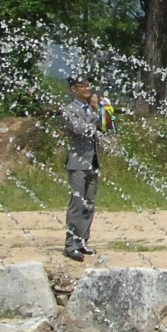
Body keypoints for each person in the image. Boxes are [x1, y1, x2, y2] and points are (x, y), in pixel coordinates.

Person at [60, 75, 110, 260]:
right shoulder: (69, 110)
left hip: (93, 161)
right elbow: (82, 130)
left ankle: (83, 241)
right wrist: (95, 113)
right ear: (74, 89)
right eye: (83, 86)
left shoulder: (91, 109)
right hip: (78, 163)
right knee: (77, 203)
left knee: (89, 203)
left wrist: (105, 114)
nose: (88, 89)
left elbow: (106, 129)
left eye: (88, 85)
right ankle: (71, 244)